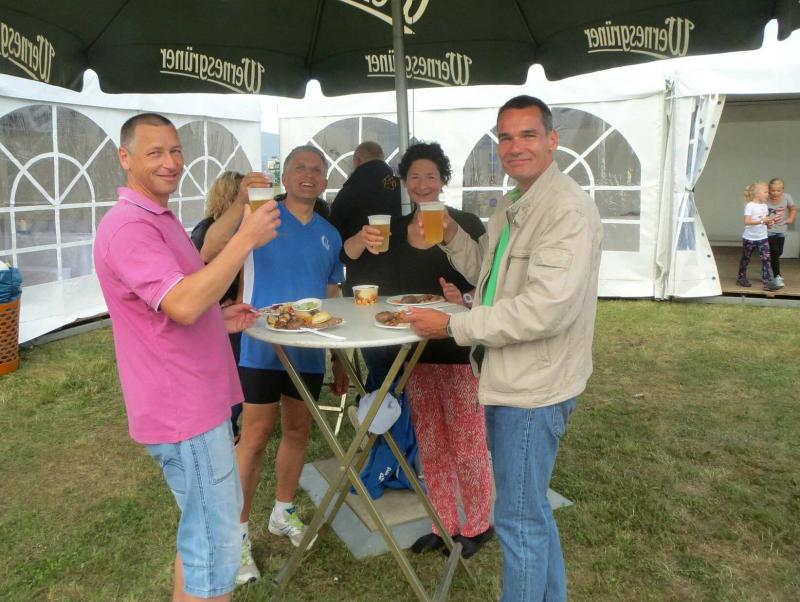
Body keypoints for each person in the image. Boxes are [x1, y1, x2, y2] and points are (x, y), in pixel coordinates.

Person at [405, 96, 603, 602]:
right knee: (528, 513)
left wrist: (454, 325)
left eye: (528, 135)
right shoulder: (514, 205)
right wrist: (452, 235)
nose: (515, 147)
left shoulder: (565, 210)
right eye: (506, 137)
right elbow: (487, 276)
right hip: (510, 377)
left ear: (552, 140)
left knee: (516, 520)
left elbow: (545, 310)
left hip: (534, 388)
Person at [94, 113, 281, 602]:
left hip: (195, 400)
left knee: (203, 532)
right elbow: (182, 304)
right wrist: (246, 237)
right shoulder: (128, 227)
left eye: (175, 150)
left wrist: (218, 319)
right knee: (216, 549)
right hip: (183, 408)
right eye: (155, 152)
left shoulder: (158, 216)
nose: (171, 162)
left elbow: (183, 297)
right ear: (125, 157)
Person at [347, 142, 495, 557]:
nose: (423, 183)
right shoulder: (393, 229)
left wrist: (464, 296)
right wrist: (359, 242)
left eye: (431, 176)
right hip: (415, 351)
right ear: (405, 182)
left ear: (443, 180)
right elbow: (367, 274)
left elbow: (488, 282)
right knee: (431, 443)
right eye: (415, 176)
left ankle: (479, 525)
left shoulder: (466, 224)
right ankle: (442, 523)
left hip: (457, 346)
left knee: (467, 442)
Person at [232, 146, 348, 584]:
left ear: (325, 182)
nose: (308, 175)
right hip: (261, 345)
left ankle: (282, 511)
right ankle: (237, 534)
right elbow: (219, 253)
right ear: (286, 175)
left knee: (298, 431)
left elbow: (333, 298)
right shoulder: (262, 216)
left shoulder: (330, 234)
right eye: (300, 167)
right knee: (254, 437)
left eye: (317, 170)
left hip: (309, 349)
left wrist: (339, 358)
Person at [191, 170, 267, 440]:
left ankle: (232, 423)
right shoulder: (209, 231)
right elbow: (199, 267)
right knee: (228, 369)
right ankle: (228, 426)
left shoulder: (245, 229)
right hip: (216, 313)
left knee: (236, 369)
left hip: (236, 310)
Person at [329, 140, 402, 299]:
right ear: (382, 159)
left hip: (361, 281)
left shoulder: (348, 192)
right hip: (401, 277)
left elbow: (333, 237)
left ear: (357, 161)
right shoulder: (402, 188)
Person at [737, 181, 780, 291]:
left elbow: (764, 221)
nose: (768, 194)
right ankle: (741, 278)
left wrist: (769, 223)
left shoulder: (765, 206)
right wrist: (762, 221)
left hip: (762, 237)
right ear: (757, 194)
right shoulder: (750, 206)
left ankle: (767, 282)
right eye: (765, 192)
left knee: (766, 259)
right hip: (749, 238)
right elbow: (747, 222)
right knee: (746, 258)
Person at [765, 178, 796, 288]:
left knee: (779, 252)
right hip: (769, 230)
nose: (775, 193)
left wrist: (791, 218)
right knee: (774, 252)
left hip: (782, 230)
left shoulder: (787, 197)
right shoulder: (765, 198)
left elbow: (793, 209)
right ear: (769, 190)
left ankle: (767, 263)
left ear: (783, 190)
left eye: (778, 190)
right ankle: (777, 276)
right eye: (772, 190)